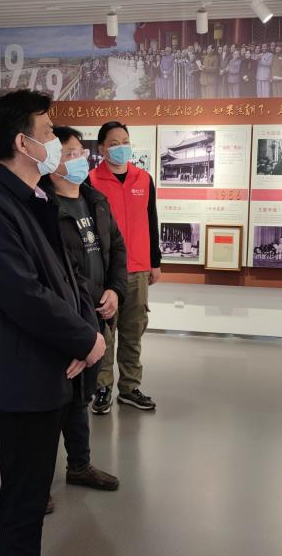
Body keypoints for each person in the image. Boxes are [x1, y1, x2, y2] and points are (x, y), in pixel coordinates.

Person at [0, 89, 107, 556]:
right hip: (21, 378)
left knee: (34, 486)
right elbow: (24, 295)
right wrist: (85, 339)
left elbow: (67, 277)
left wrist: (85, 334)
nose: (55, 143)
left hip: (48, 368)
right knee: (25, 501)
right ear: (23, 143)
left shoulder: (36, 199)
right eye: (47, 133)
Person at [39, 125, 125, 503]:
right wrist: (95, 296)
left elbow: (117, 248)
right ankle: (37, 485)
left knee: (80, 396)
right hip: (67, 316)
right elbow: (61, 270)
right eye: (70, 153)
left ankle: (79, 464)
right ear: (52, 161)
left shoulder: (95, 200)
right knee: (53, 401)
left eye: (80, 152)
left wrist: (115, 290)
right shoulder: (44, 209)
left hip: (97, 314)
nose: (79, 160)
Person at [89, 122, 162, 414]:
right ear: (102, 148)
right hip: (105, 273)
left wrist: (155, 262)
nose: (121, 147)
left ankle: (130, 387)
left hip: (139, 269)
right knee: (105, 333)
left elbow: (152, 220)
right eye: (114, 143)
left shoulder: (143, 178)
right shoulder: (91, 181)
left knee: (133, 332)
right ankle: (102, 387)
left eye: (125, 141)